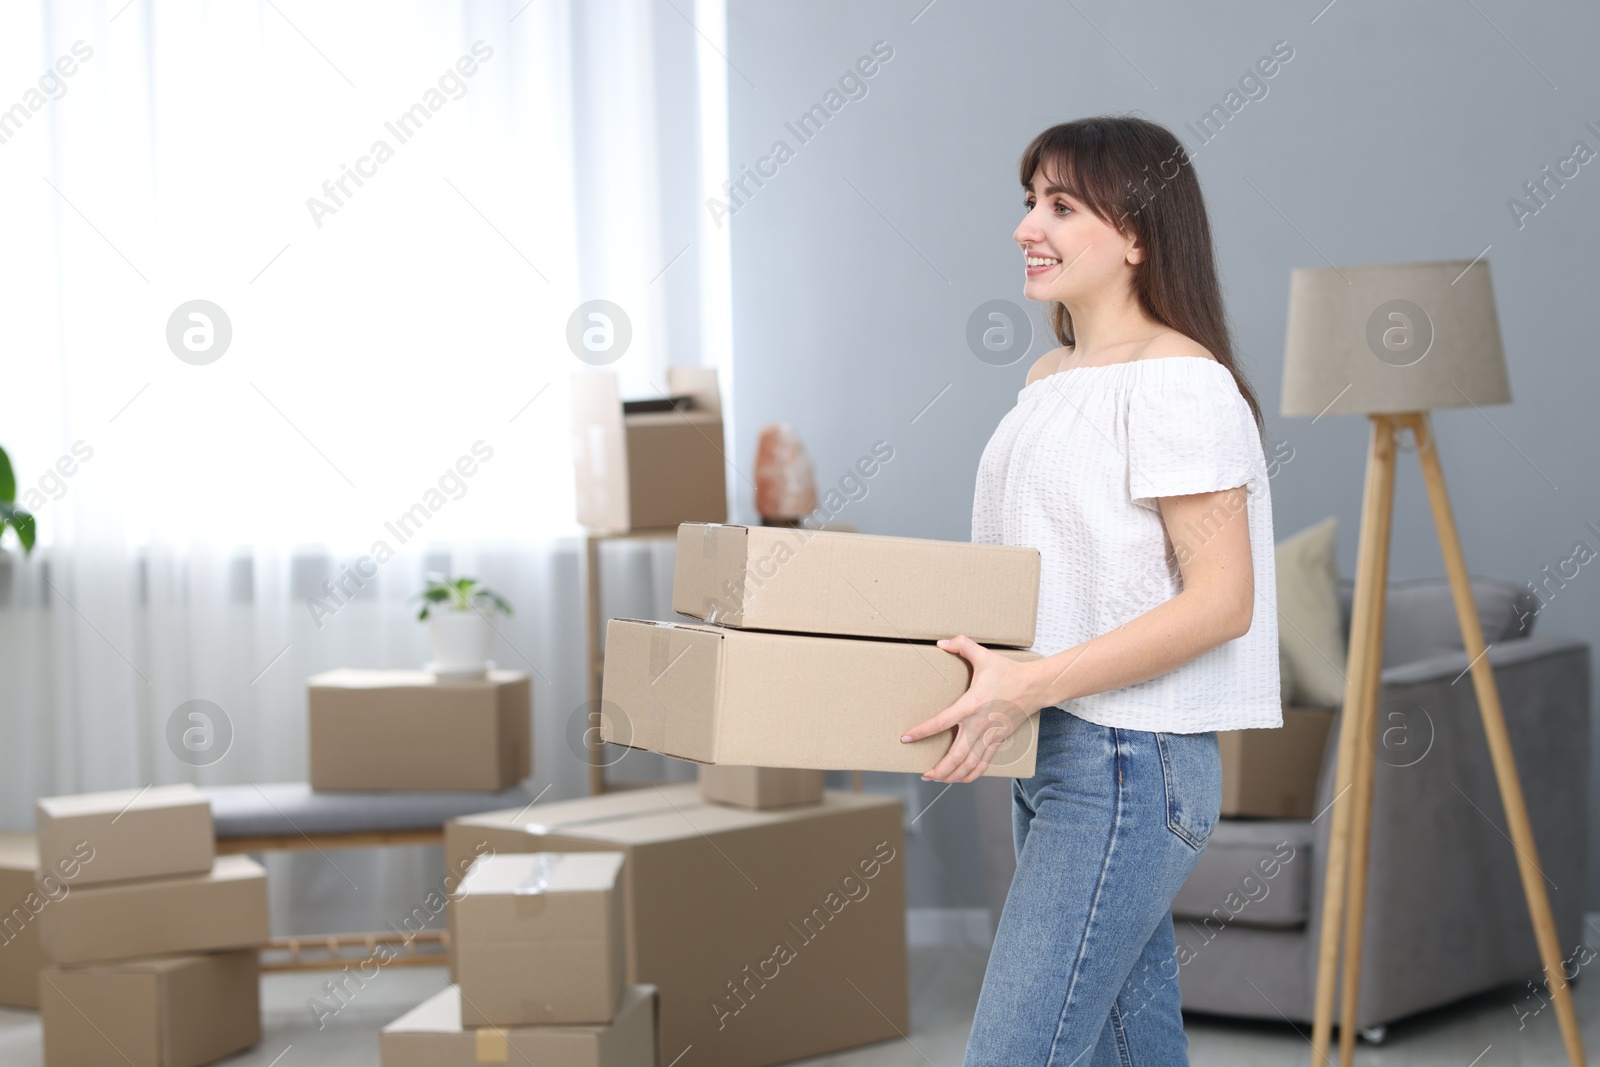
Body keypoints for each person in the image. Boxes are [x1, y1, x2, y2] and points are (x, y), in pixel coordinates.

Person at [898, 115, 1282, 1065]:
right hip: (1060, 752)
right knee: (1130, 1047)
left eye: (1062, 205)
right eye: (1030, 200)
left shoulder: (1178, 380)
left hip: (1126, 762)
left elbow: (1220, 600)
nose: (1031, 224)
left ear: (1140, 234)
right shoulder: (1050, 375)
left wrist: (1029, 682)